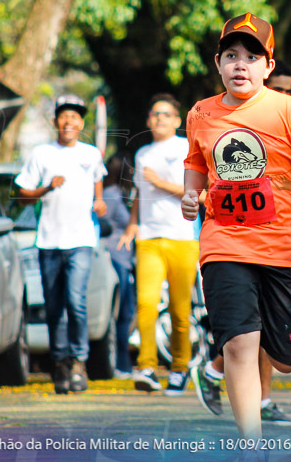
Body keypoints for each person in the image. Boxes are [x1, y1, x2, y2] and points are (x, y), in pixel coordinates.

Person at [182, 12, 291, 439]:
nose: (241, 65)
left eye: (253, 57)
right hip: (223, 244)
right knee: (239, 344)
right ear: (217, 63)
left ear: (269, 67)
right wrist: (189, 192)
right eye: (231, 55)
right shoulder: (200, 114)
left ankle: (227, 376)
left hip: (285, 247)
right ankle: (251, 445)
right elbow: (196, 162)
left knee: (287, 357)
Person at [15, 94, 107, 394]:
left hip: (80, 240)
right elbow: (21, 195)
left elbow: (97, 182)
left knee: (75, 300)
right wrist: (46, 187)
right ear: (56, 121)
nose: (69, 121)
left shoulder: (91, 153)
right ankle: (59, 364)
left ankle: (78, 362)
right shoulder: (41, 154)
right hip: (48, 241)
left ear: (82, 123)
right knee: (54, 306)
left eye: (75, 117)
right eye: (64, 116)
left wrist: (100, 201)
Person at [119, 93, 199, 395]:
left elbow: (198, 194)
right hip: (149, 238)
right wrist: (132, 224)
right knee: (146, 304)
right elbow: (140, 193)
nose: (159, 119)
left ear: (177, 121)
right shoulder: (142, 154)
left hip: (183, 238)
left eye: (166, 115)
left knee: (180, 309)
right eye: (155, 114)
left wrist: (160, 183)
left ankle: (180, 368)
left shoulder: (187, 149)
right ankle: (147, 366)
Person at [100, 154, 136, 380]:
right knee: (123, 314)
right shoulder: (111, 195)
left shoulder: (118, 195)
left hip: (124, 261)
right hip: (116, 261)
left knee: (126, 314)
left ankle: (123, 364)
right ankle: (122, 364)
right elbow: (104, 226)